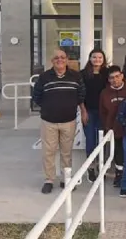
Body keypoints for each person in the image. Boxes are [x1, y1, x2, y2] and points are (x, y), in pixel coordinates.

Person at [33, 48, 88, 194]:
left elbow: (81, 95)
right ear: (52, 61)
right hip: (48, 121)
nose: (60, 60)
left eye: (62, 57)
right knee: (48, 152)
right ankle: (49, 180)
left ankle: (66, 179)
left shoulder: (75, 76)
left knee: (66, 152)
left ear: (67, 59)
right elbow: (36, 96)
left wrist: (80, 109)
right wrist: (49, 107)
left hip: (68, 121)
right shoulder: (44, 77)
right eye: (56, 57)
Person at [99, 65, 126, 188]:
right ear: (108, 80)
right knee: (118, 152)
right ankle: (119, 174)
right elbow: (102, 112)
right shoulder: (104, 93)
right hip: (114, 129)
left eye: (117, 77)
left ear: (122, 76)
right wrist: (107, 126)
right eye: (112, 78)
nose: (115, 80)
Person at [82, 49, 108, 183]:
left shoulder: (107, 74)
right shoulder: (83, 74)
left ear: (103, 59)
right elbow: (80, 95)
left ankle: (101, 167)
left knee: (101, 141)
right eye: (94, 57)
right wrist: (83, 111)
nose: (97, 59)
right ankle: (91, 168)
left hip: (103, 112)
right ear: (90, 58)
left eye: (100, 57)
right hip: (89, 111)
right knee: (91, 140)